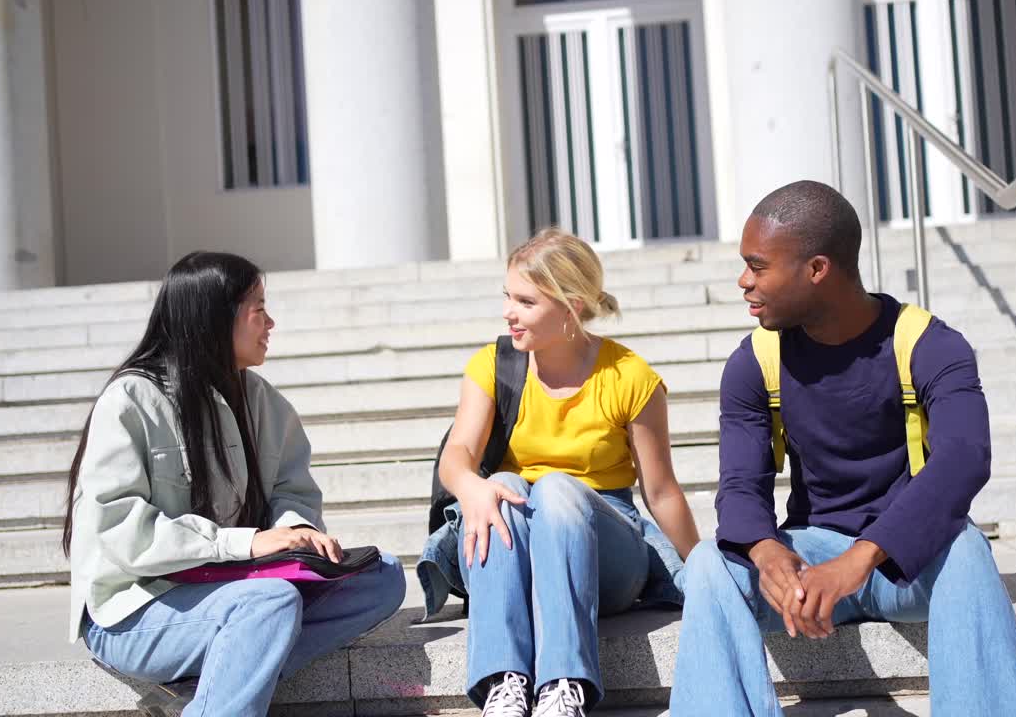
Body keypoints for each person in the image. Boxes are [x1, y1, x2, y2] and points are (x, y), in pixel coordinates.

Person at [669, 182, 1016, 716]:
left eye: (758, 266)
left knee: (965, 546)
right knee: (708, 562)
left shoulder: (929, 344)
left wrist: (861, 559)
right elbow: (740, 485)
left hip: (906, 562)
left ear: (817, 269)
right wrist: (767, 551)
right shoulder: (754, 361)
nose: (744, 282)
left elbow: (964, 459)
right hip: (808, 562)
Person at [62, 251, 406, 717]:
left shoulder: (264, 402)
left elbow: (292, 492)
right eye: (258, 308)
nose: (271, 323)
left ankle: (215, 687)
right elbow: (124, 531)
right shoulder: (131, 400)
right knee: (271, 601)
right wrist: (247, 544)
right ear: (214, 318)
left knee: (382, 575)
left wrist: (296, 533)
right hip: (134, 610)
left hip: (236, 588)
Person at [425, 229, 700, 717]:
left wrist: (701, 570)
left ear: (571, 306)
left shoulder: (629, 376)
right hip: (513, 546)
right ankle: (502, 684)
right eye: (507, 296)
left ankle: (563, 684)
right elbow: (459, 452)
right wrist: (470, 486)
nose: (508, 311)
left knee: (555, 488)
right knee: (504, 485)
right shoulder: (492, 365)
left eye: (525, 301)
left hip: (606, 555)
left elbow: (661, 492)